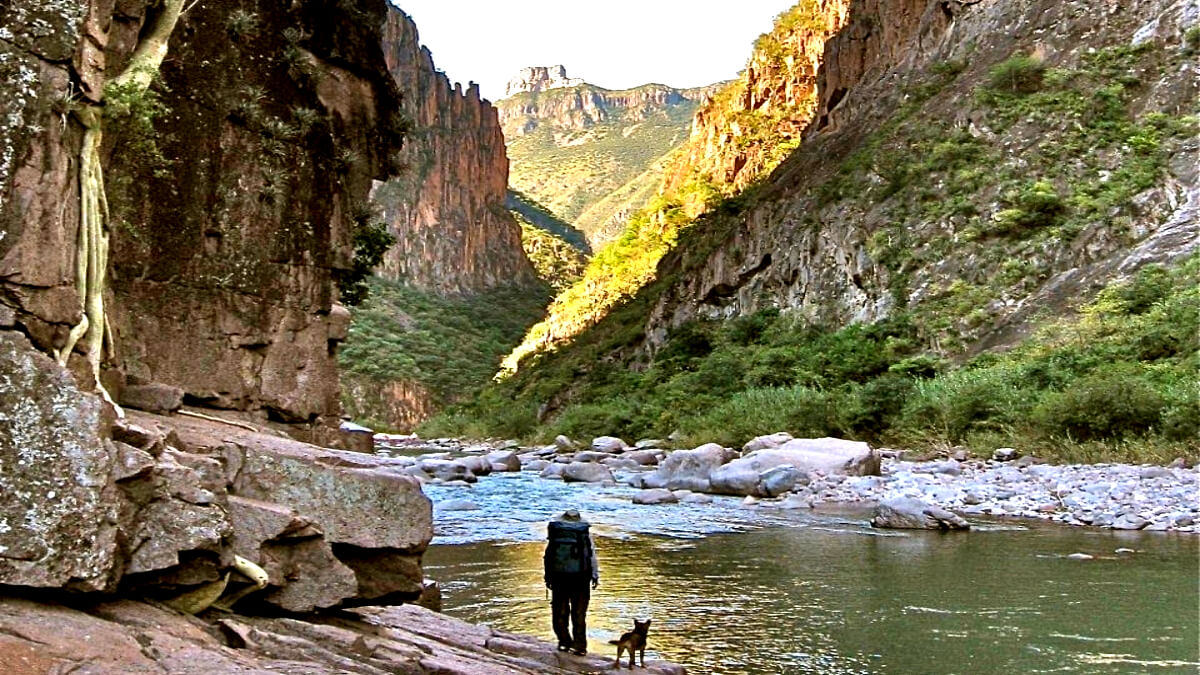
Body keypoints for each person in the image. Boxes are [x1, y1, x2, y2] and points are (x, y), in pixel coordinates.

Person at [544, 509, 599, 655]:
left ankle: (564, 642)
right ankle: (580, 647)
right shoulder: (583, 532)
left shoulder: (556, 531)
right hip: (581, 578)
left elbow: (548, 555)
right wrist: (595, 575)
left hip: (559, 577)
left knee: (559, 611)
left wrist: (548, 577)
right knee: (579, 613)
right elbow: (591, 555)